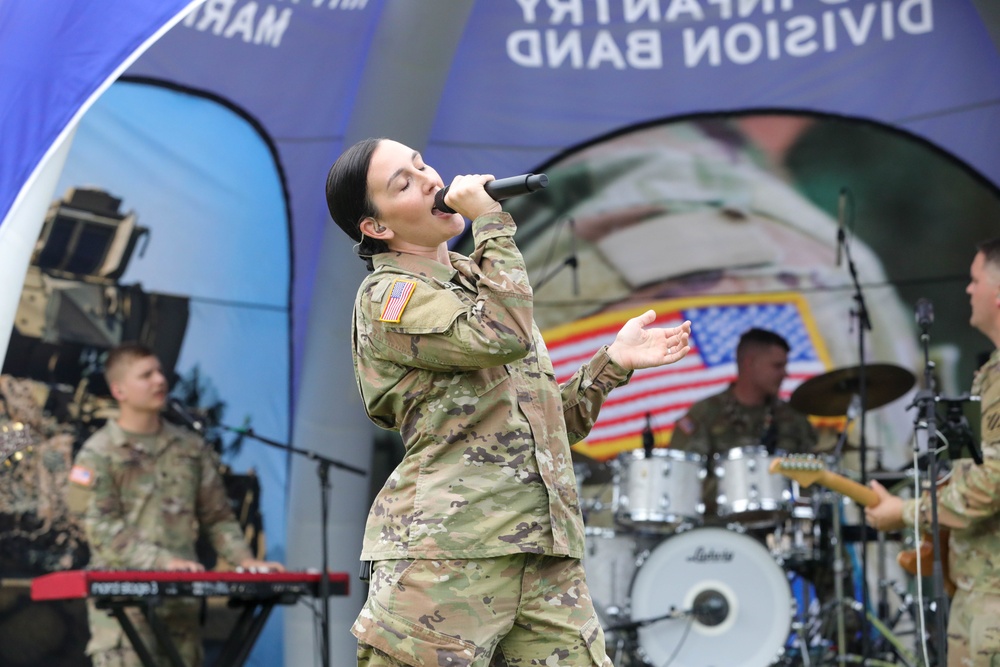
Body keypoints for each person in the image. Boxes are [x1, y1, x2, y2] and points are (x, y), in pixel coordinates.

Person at [325, 137, 692, 667]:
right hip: (449, 552)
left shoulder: (479, 282)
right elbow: (503, 335)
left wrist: (612, 363)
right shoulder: (388, 296)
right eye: (403, 183)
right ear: (378, 227)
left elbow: (547, 429)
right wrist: (491, 224)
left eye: (422, 165)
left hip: (543, 552)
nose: (430, 180)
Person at [67, 342, 283, 667]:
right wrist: (162, 562)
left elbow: (218, 518)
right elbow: (102, 529)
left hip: (181, 609)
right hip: (123, 612)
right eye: (146, 375)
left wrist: (246, 561)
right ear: (119, 390)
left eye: (159, 372)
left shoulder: (190, 447)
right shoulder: (97, 453)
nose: (159, 381)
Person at [866, 237, 1000, 667]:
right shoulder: (991, 373)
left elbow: (991, 483)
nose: (967, 289)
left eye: (974, 279)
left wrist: (905, 512)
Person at [669, 327, 817, 517]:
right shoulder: (705, 414)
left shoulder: (793, 418)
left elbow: (814, 475)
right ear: (750, 363)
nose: (784, 374)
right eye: (777, 366)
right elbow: (682, 477)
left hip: (784, 528)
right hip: (720, 532)